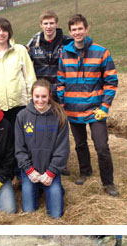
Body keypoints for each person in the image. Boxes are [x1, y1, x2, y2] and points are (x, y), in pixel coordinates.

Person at [57, 13, 119, 197]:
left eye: (80, 28)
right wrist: (61, 103)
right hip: (73, 110)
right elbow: (60, 81)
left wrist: (105, 107)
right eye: (73, 29)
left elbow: (111, 81)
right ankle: (85, 172)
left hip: (95, 110)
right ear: (69, 31)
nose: (77, 32)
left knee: (101, 146)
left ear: (86, 29)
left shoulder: (101, 52)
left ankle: (108, 182)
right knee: (80, 144)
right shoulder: (64, 53)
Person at [15, 78, 70, 218]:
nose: (40, 100)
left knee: (56, 214)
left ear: (49, 96)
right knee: (29, 211)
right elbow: (19, 148)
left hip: (50, 170)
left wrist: (51, 173)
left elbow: (62, 149)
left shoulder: (59, 116)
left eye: (44, 96)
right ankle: (37, 188)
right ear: (31, 96)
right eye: (37, 96)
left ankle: (53, 188)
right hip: (30, 171)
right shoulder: (22, 116)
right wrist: (29, 170)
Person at [27, 10, 72, 176]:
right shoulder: (34, 41)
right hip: (40, 95)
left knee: (60, 128)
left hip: (60, 92)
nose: (48, 26)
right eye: (45, 23)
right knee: (43, 128)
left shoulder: (67, 41)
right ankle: (43, 160)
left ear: (56, 24)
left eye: (51, 23)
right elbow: (24, 61)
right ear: (41, 25)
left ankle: (61, 162)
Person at [0, 17, 36, 132]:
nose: (1, 34)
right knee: (1, 141)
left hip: (20, 105)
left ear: (9, 33)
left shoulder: (20, 50)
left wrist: (32, 101)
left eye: (4, 30)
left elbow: (30, 77)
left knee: (20, 139)